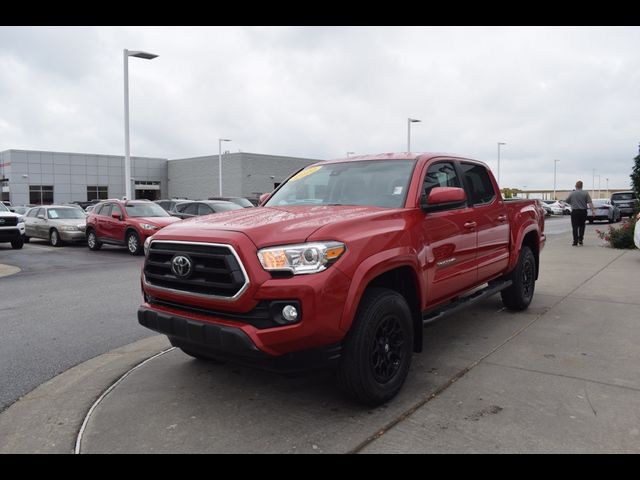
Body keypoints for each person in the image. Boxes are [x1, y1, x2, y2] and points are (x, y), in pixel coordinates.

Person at [564, 181, 595, 246]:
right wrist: (593, 211)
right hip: (583, 212)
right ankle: (580, 239)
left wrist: (573, 203)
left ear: (576, 186)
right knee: (582, 226)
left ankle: (575, 241)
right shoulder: (586, 193)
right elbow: (590, 203)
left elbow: (566, 201)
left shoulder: (572, 193)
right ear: (582, 186)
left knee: (575, 227)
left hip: (575, 212)